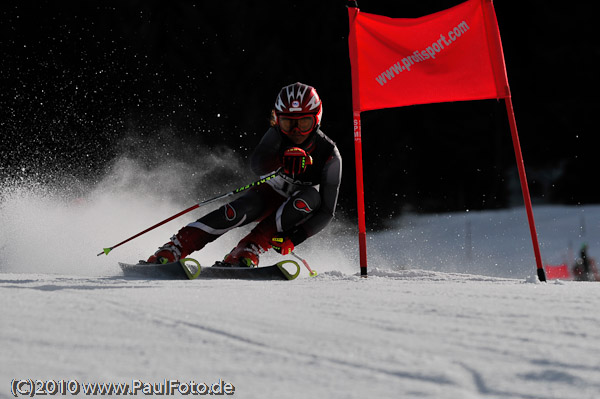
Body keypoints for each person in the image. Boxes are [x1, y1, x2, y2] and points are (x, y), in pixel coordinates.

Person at [146, 82, 342, 267]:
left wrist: (295, 238)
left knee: (309, 197)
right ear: (278, 120)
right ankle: (177, 246)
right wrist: (281, 158)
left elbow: (326, 211)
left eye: (304, 123)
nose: (296, 131)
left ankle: (248, 248)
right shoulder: (276, 135)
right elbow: (257, 165)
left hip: (297, 209)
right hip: (267, 195)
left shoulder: (329, 155)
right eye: (288, 124)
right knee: (236, 211)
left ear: (317, 119)